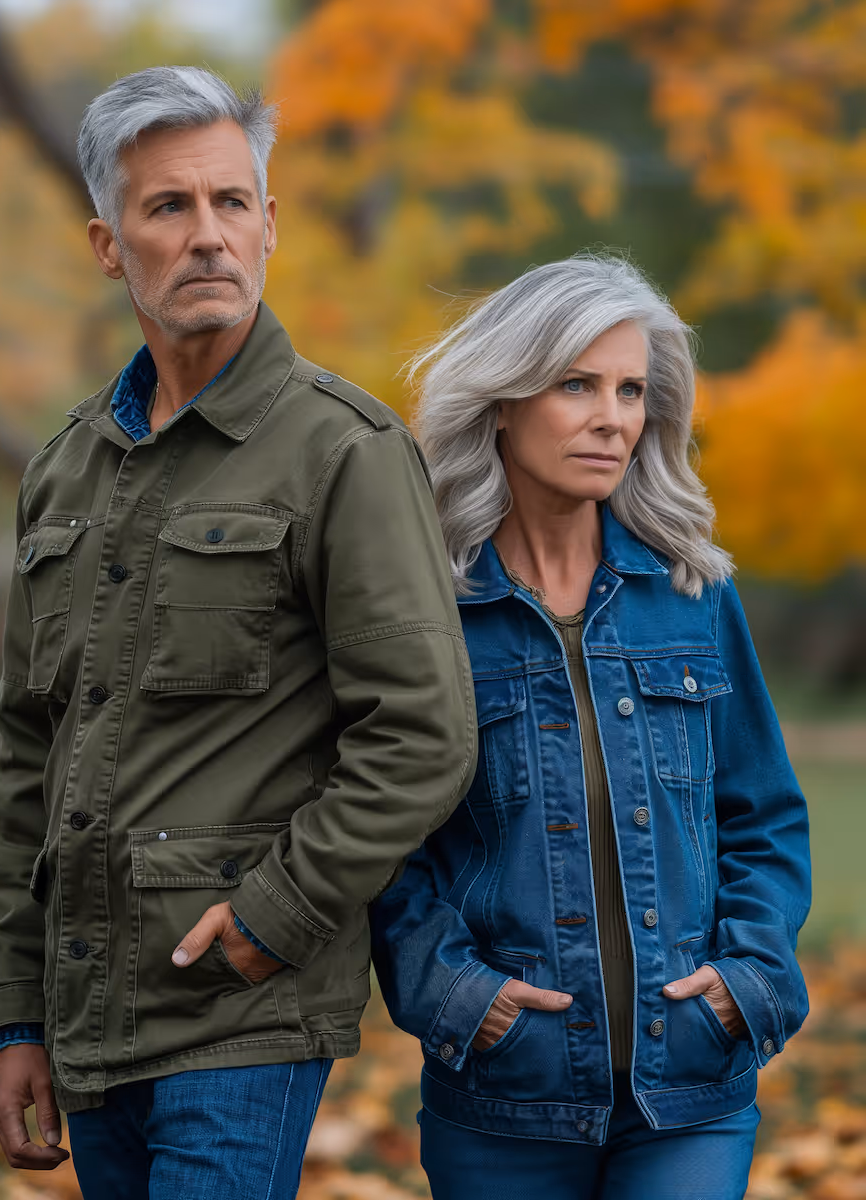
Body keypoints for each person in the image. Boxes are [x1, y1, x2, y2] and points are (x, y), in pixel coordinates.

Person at [0, 66, 476, 1199]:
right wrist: (15, 1010)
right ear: (110, 246)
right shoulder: (62, 470)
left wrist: (275, 916)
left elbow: (424, 736)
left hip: (239, 1006)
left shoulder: (343, 451)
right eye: (170, 208)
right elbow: (25, 759)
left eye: (232, 203)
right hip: (87, 1007)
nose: (208, 236)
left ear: (271, 225)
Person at [370, 254, 811, 1200]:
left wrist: (752, 979)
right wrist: (459, 998)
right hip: (505, 1091)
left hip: (692, 1088)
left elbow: (765, 814)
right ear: (502, 400)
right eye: (577, 385)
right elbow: (385, 842)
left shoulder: (692, 592)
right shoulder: (426, 613)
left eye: (630, 390)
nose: (612, 416)